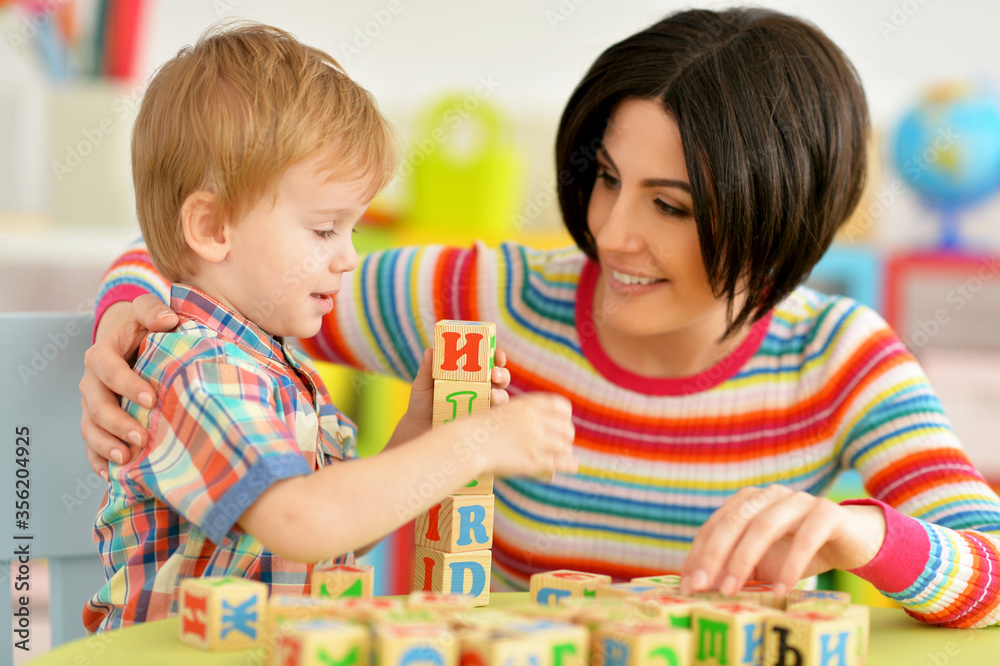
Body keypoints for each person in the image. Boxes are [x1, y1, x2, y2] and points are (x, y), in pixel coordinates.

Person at [80, 8, 1000, 628]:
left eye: (670, 207)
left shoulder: (840, 361)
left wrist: (861, 533)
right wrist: (133, 316)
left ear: (779, 218)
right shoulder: (498, 298)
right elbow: (224, 263)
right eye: (605, 179)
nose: (612, 233)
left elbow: (989, 570)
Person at [80, 22, 577, 634]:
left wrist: (415, 435)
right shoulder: (200, 370)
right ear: (211, 229)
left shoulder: (270, 360)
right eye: (323, 230)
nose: (349, 258)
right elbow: (304, 524)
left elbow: (338, 529)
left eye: (353, 231)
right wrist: (476, 445)